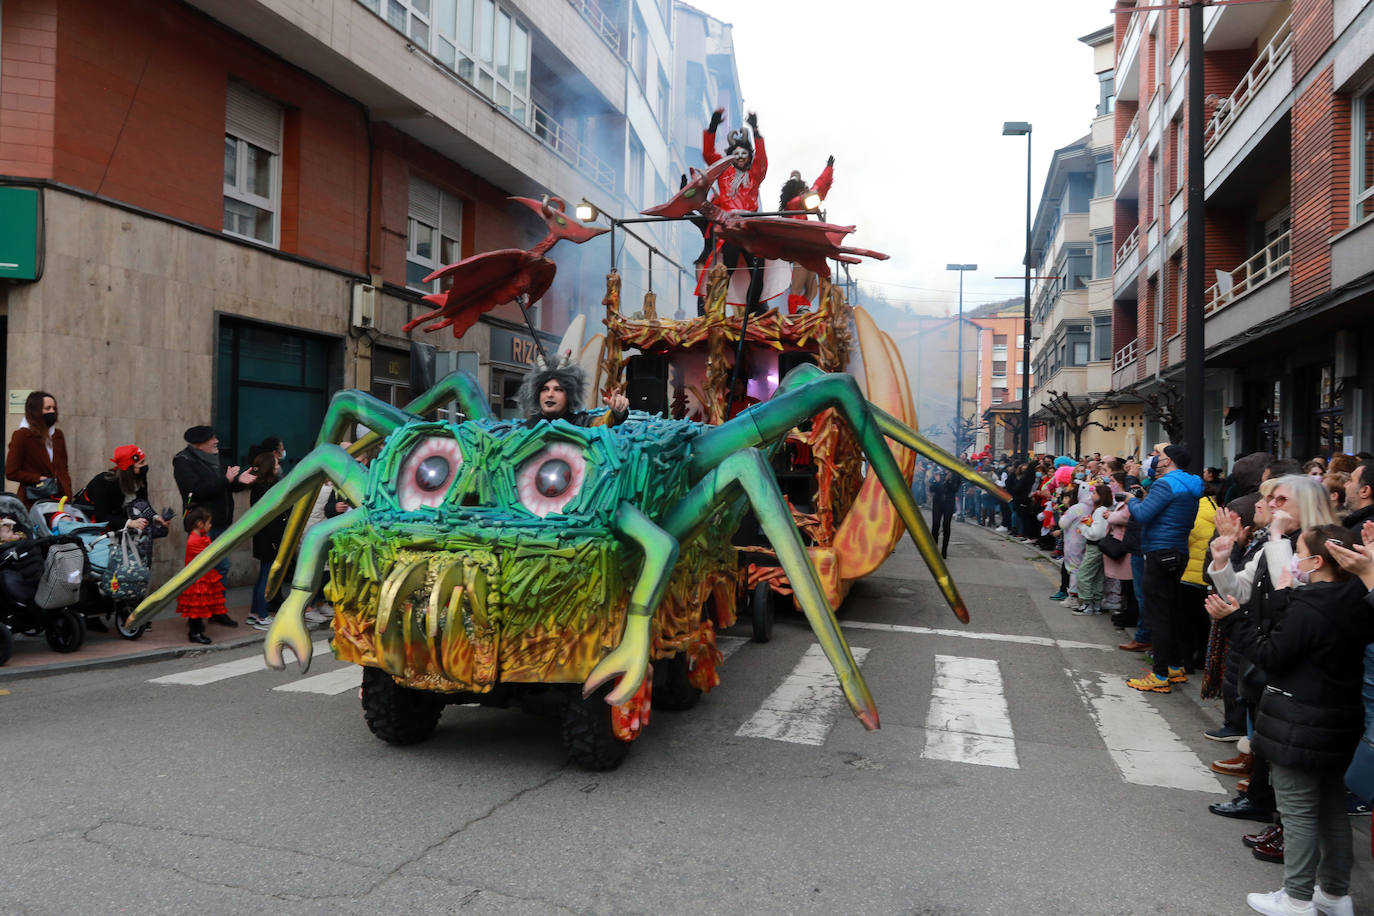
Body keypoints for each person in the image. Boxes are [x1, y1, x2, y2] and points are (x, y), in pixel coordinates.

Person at [1207, 525, 1373, 916]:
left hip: (1301, 719)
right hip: (1339, 718)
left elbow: (1274, 655)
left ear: (1317, 561)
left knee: (1297, 811)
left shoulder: (1313, 604)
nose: (1293, 560)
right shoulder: (1353, 598)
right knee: (1331, 807)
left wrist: (1233, 619)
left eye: (1298, 551)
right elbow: (1311, 638)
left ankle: (1296, 897)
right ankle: (1334, 895)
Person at [1114, 443, 1204, 693]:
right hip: (1178, 551)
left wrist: (1132, 501)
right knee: (1172, 609)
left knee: (1157, 614)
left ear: (1169, 461)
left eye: (1159, 456)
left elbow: (1142, 515)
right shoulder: (1192, 484)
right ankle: (1175, 667)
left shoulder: (1165, 484)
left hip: (1159, 550)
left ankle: (1160, 675)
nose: (1155, 460)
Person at [701, 107, 768, 314]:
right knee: (725, 271)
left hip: (750, 229)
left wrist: (755, 131)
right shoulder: (724, 171)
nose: (740, 157)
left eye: (744, 154)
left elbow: (762, 160)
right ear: (731, 156)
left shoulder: (755, 173)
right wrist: (712, 126)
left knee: (758, 272)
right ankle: (714, 311)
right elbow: (708, 154)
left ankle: (751, 312)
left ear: (749, 156)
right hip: (729, 229)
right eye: (736, 154)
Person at [172, 425, 257, 580]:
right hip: (202, 524)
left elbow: (227, 486)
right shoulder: (183, 461)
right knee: (206, 571)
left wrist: (240, 481)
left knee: (220, 569)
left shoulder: (215, 458)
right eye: (212, 438)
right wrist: (225, 480)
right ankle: (204, 603)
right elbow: (196, 491)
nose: (217, 441)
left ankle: (216, 604)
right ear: (199, 443)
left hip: (221, 523)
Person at [777, 156, 834, 313]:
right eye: (800, 189)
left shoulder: (801, 203)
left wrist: (828, 170)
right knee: (798, 285)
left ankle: (803, 310)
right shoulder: (792, 204)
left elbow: (818, 189)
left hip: (806, 246)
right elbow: (816, 191)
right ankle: (795, 314)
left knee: (811, 288)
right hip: (797, 248)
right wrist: (827, 171)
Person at [6, 390, 73, 508]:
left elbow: (63, 468)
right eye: (47, 408)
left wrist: (67, 492)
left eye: (54, 408)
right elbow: (11, 472)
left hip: (60, 501)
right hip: (34, 500)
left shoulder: (57, 435)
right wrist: (38, 478)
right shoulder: (22, 435)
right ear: (36, 411)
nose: (52, 411)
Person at [246, 449, 287, 630]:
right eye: (276, 464)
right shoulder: (267, 488)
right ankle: (262, 615)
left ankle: (255, 612)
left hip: (264, 536)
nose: (279, 467)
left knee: (263, 574)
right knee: (267, 576)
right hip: (270, 537)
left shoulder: (260, 486)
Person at [518, 360, 628, 428]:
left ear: (570, 396)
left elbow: (601, 422)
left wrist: (617, 413)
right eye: (545, 389)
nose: (550, 394)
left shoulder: (580, 423)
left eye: (558, 389)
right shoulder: (526, 429)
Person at [177, 507, 226, 645]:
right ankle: (195, 633)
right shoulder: (194, 540)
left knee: (198, 609)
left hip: (200, 579)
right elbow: (208, 555)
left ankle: (197, 630)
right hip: (195, 581)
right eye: (209, 523)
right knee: (196, 610)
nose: (210, 526)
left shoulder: (200, 537)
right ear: (200, 524)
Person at [1073, 484, 1112, 615]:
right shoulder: (1102, 510)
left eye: (1095, 493)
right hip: (1100, 548)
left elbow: (1096, 533)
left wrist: (1083, 526)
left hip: (1095, 547)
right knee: (1097, 576)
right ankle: (1096, 604)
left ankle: (1086, 603)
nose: (1092, 495)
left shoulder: (1100, 511)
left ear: (1101, 496)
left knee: (1083, 574)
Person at [928, 469, 960, 559]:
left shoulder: (956, 476)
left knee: (946, 525)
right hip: (938, 502)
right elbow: (932, 488)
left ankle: (944, 550)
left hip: (949, 503)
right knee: (935, 524)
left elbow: (954, 489)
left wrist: (947, 480)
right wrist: (938, 481)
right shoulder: (939, 473)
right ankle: (933, 549)